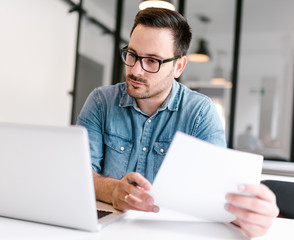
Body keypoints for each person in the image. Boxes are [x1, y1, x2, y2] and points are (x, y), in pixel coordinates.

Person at [77, 7, 279, 238]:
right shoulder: (101, 101)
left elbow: (216, 196)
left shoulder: (200, 113)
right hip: (105, 231)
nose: (135, 70)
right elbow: (79, 174)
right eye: (132, 54)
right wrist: (114, 191)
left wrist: (248, 214)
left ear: (179, 67)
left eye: (152, 61)